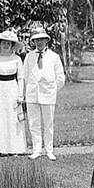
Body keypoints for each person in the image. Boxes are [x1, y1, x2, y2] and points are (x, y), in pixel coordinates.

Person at [22, 26, 66, 159]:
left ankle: (49, 150)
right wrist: (27, 90)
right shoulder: (29, 56)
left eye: (41, 40)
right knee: (34, 123)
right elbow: (25, 75)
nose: (39, 42)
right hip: (32, 94)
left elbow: (60, 78)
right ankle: (36, 149)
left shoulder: (54, 57)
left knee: (48, 124)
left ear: (46, 41)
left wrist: (52, 90)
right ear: (33, 42)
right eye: (36, 40)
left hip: (48, 94)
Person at [0, 29, 28, 155]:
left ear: (12, 45)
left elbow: (20, 78)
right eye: (4, 42)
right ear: (0, 43)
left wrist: (20, 95)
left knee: (12, 118)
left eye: (9, 43)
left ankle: (14, 149)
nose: (6, 45)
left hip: (12, 90)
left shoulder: (17, 59)